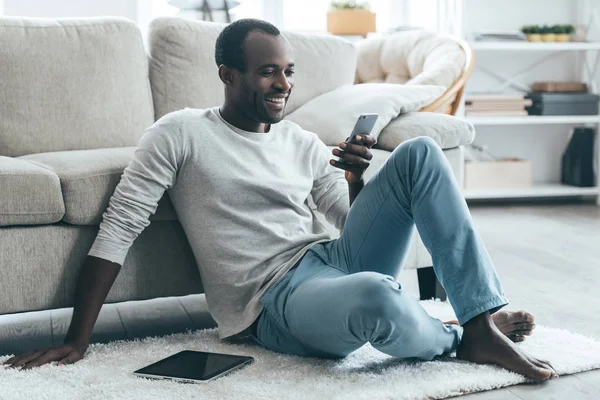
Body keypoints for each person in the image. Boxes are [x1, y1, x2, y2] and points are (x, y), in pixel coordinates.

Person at [3, 18, 556, 381]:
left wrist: (358, 182)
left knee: (420, 153)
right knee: (376, 298)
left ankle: (479, 321)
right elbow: (120, 225)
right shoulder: (181, 133)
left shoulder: (301, 141)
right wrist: (78, 339)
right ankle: (454, 338)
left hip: (332, 261)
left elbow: (346, 223)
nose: (282, 83)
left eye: (288, 72)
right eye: (267, 71)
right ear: (227, 74)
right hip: (272, 302)